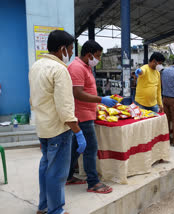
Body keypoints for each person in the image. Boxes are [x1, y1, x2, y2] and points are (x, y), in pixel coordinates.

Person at [29, 30, 87, 214]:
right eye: (70, 49)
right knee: (57, 173)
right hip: (58, 131)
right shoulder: (60, 70)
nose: (71, 53)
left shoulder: (36, 66)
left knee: (45, 168)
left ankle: (44, 206)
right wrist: (78, 131)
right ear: (62, 49)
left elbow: (34, 99)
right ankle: (56, 210)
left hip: (43, 128)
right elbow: (65, 109)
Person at [67, 40, 116, 194]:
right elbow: (78, 93)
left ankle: (67, 176)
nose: (98, 60)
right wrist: (101, 100)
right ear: (89, 55)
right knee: (90, 148)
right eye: (97, 56)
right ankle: (93, 182)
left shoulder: (85, 67)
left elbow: (87, 89)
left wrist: (99, 101)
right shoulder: (76, 67)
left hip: (87, 113)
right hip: (82, 115)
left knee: (75, 149)